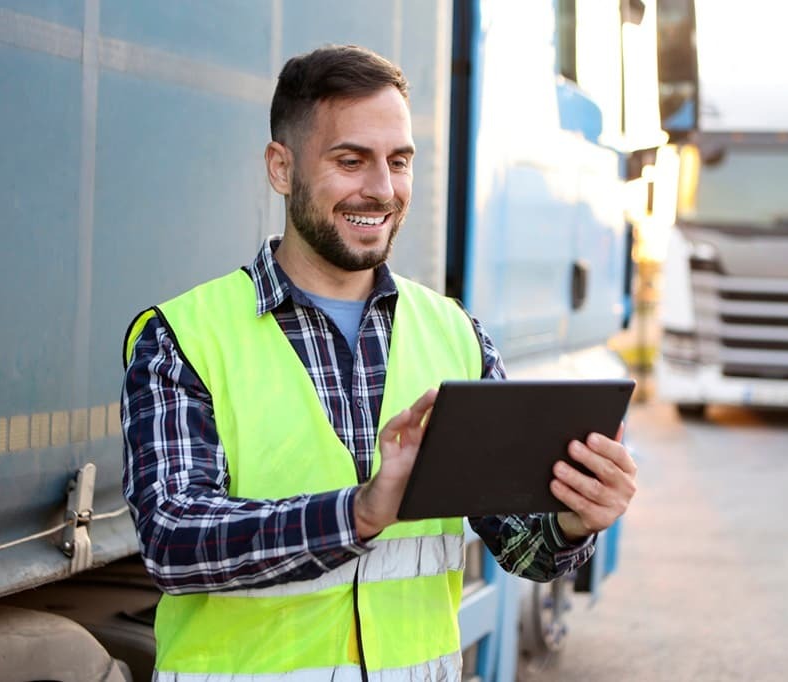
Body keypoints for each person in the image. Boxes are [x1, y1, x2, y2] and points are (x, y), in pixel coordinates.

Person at [121, 44, 637, 682]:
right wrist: (358, 514)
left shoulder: (455, 334)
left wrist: (573, 519)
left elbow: (522, 545)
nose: (383, 189)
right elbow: (173, 542)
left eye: (399, 161)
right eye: (350, 161)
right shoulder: (183, 337)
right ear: (281, 168)